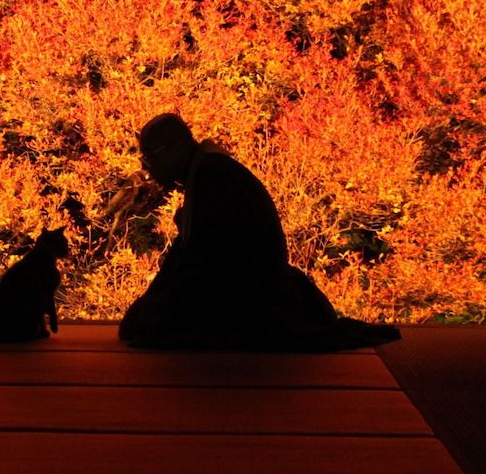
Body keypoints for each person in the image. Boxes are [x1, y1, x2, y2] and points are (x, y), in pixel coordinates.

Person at [118, 113, 399, 350]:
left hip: (246, 294)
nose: (148, 169)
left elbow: (208, 263)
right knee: (144, 319)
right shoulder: (209, 172)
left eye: (150, 158)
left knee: (145, 324)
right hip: (247, 286)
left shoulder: (212, 179)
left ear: (176, 147)